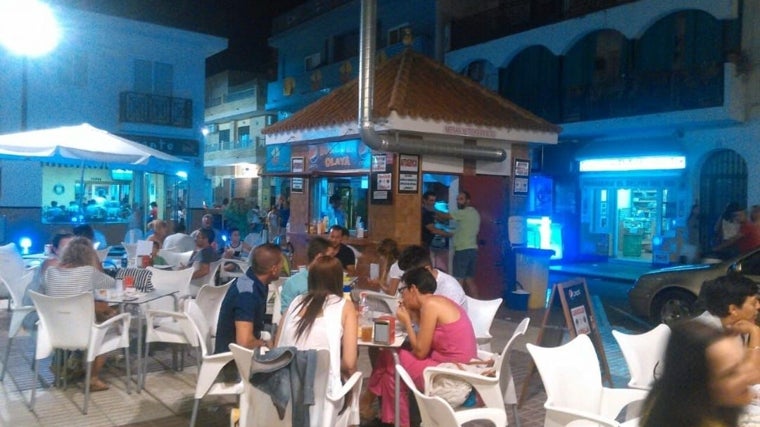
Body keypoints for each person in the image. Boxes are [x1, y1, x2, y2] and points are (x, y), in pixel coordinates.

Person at [361, 267, 477, 425]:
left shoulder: (431, 305)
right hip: (454, 365)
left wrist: (407, 321)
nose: (402, 296)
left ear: (413, 289)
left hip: (451, 373)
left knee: (390, 358)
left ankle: (371, 403)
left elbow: (421, 352)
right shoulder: (438, 301)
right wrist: (412, 315)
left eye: (403, 290)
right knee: (391, 366)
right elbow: (427, 342)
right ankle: (387, 416)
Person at [640, 320, 759, 427]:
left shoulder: (670, 394)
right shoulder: (688, 419)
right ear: (701, 387)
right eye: (731, 373)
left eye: (743, 361)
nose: (750, 375)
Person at [41, 236, 118, 392]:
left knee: (98, 310)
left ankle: (71, 364)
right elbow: (111, 284)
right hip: (82, 332)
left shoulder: (51, 272)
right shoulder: (88, 273)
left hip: (54, 330)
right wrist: (95, 262)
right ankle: (93, 378)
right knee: (109, 325)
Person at [275, 256, 358, 399]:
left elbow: (277, 346)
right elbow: (349, 364)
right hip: (324, 397)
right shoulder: (344, 306)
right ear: (338, 280)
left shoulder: (295, 303)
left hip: (284, 393)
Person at [214, 243, 283, 354]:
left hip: (243, 354)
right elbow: (244, 342)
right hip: (232, 361)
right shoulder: (246, 293)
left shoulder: (254, 282)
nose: (282, 268)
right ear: (274, 269)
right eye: (281, 265)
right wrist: (264, 344)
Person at [694, 273, 760, 352]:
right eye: (753, 303)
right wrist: (755, 332)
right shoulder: (702, 335)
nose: (758, 306)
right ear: (733, 310)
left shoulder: (742, 324)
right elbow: (750, 363)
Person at [437, 190, 481, 297]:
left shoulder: (464, 212)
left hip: (462, 251)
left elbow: (446, 216)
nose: (458, 202)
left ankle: (459, 308)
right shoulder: (474, 213)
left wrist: (430, 209)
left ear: (468, 201)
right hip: (473, 250)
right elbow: (460, 231)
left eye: (461, 199)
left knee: (458, 281)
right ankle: (477, 304)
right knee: (469, 280)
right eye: (457, 199)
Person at [397, 244, 466, 308]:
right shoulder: (414, 281)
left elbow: (444, 320)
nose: (410, 279)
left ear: (427, 269)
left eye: (413, 275)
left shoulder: (449, 288)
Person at [279, 236, 335, 313]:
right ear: (319, 257)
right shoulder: (293, 283)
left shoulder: (332, 280)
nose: (334, 261)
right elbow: (286, 313)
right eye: (331, 257)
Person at [185, 228, 221, 296]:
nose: (195, 239)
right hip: (200, 285)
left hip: (195, 286)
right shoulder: (209, 251)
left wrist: (187, 276)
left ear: (206, 239)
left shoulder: (205, 252)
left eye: (198, 237)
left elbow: (204, 271)